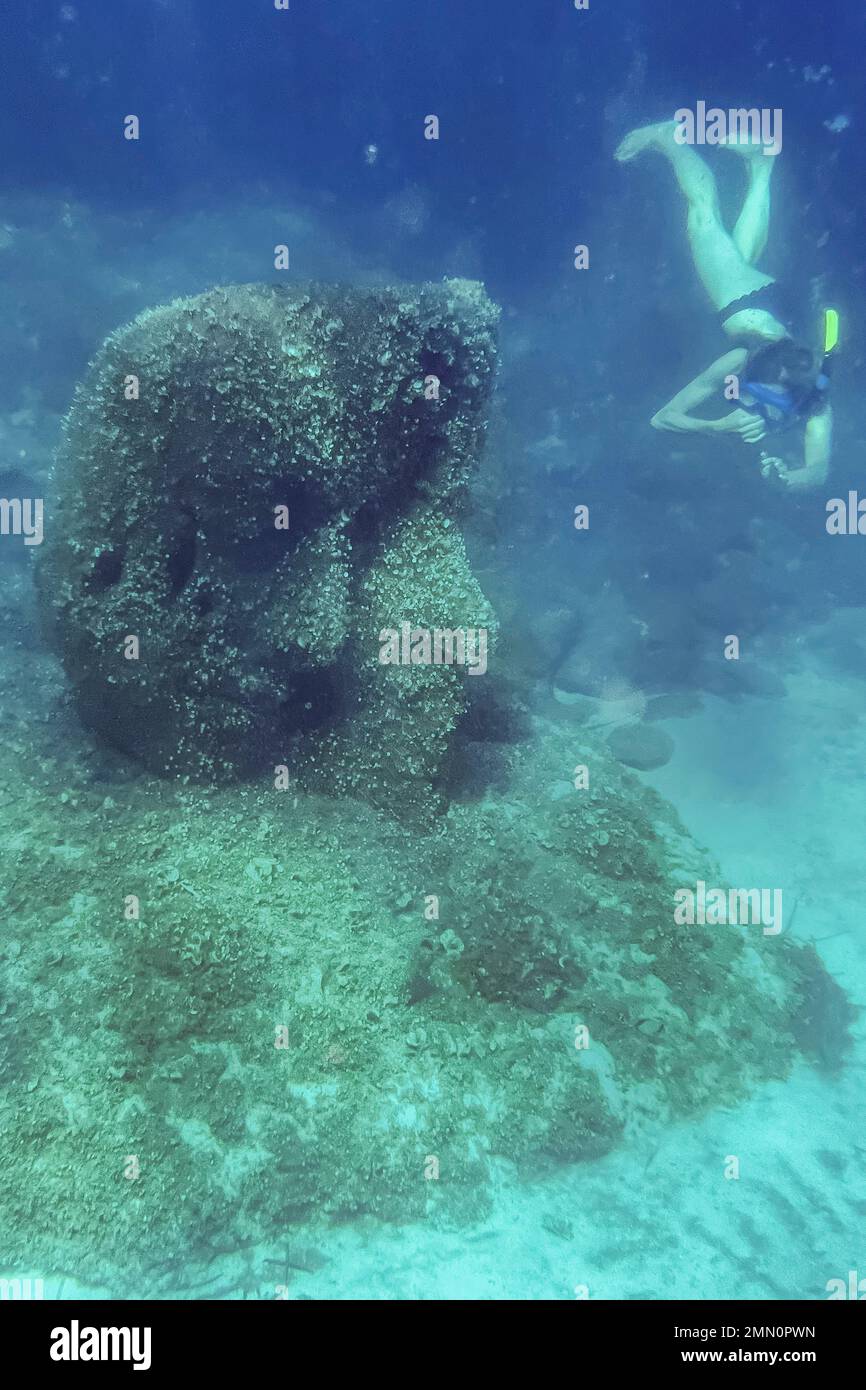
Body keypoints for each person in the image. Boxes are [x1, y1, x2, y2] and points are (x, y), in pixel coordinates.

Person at [616, 120, 835, 490]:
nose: (766, 408)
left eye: (776, 403)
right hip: (744, 305)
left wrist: (784, 478)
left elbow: (818, 471)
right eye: (766, 396)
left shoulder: (814, 404)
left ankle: (762, 165)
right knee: (703, 219)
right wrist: (717, 427)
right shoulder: (737, 363)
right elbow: (662, 418)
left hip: (775, 304)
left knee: (739, 255)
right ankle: (669, 138)